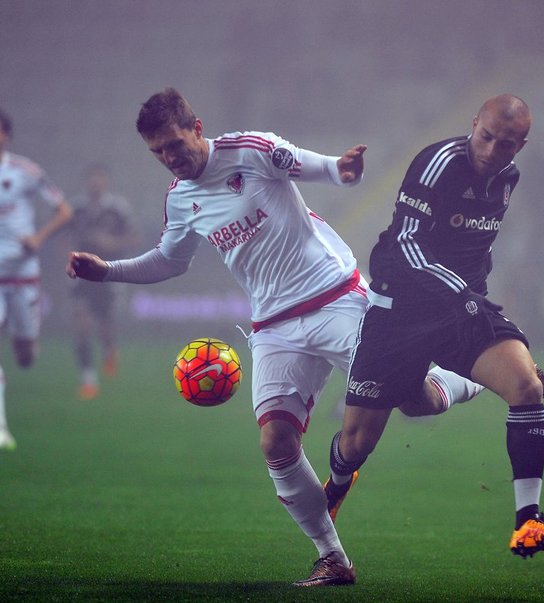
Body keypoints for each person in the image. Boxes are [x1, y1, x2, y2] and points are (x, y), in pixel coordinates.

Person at [65, 88, 483, 587]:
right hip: (274, 328)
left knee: (416, 401)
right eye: (157, 152)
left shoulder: (249, 150)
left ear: (197, 128)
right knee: (276, 442)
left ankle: (475, 374)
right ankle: (332, 558)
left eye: (174, 144)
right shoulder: (180, 199)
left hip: (337, 300)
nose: (169, 158)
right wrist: (107, 271)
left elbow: (316, 166)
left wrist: (343, 169)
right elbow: (170, 261)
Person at [325, 94, 544, 559]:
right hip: (399, 310)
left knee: (526, 388)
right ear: (473, 124)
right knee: (373, 431)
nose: (492, 150)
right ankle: (337, 485)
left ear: (521, 146)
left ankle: (529, 521)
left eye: (505, 144)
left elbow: (475, 246)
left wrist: (472, 297)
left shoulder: (508, 177)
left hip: (461, 307)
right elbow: (407, 244)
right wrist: (464, 293)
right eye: (486, 137)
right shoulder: (437, 163)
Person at [0, 108, 73, 450]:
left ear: (6, 135)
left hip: (22, 274)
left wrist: (39, 238)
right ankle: (2, 428)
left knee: (25, 355)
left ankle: (28, 341)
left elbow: (64, 210)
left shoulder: (25, 171)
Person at [67, 164, 137, 400]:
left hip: (108, 273)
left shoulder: (118, 209)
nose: (95, 183)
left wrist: (112, 243)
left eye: (99, 179)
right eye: (92, 179)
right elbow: (63, 237)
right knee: (81, 323)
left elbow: (134, 237)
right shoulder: (76, 208)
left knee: (106, 326)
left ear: (105, 182)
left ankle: (109, 349)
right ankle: (88, 379)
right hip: (81, 275)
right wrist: (67, 259)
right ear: (86, 182)